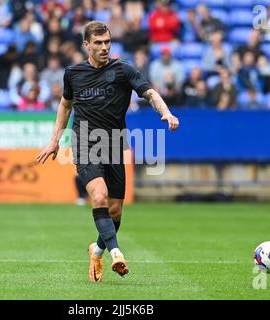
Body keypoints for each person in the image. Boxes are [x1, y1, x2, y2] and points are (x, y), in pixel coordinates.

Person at [36, 21, 179, 283]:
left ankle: (97, 250)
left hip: (113, 144)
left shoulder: (123, 70)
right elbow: (65, 105)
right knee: (99, 196)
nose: (104, 47)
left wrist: (166, 112)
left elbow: (150, 93)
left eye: (107, 42)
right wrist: (55, 140)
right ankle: (116, 253)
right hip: (84, 144)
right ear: (86, 45)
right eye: (99, 43)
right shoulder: (74, 73)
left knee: (115, 212)